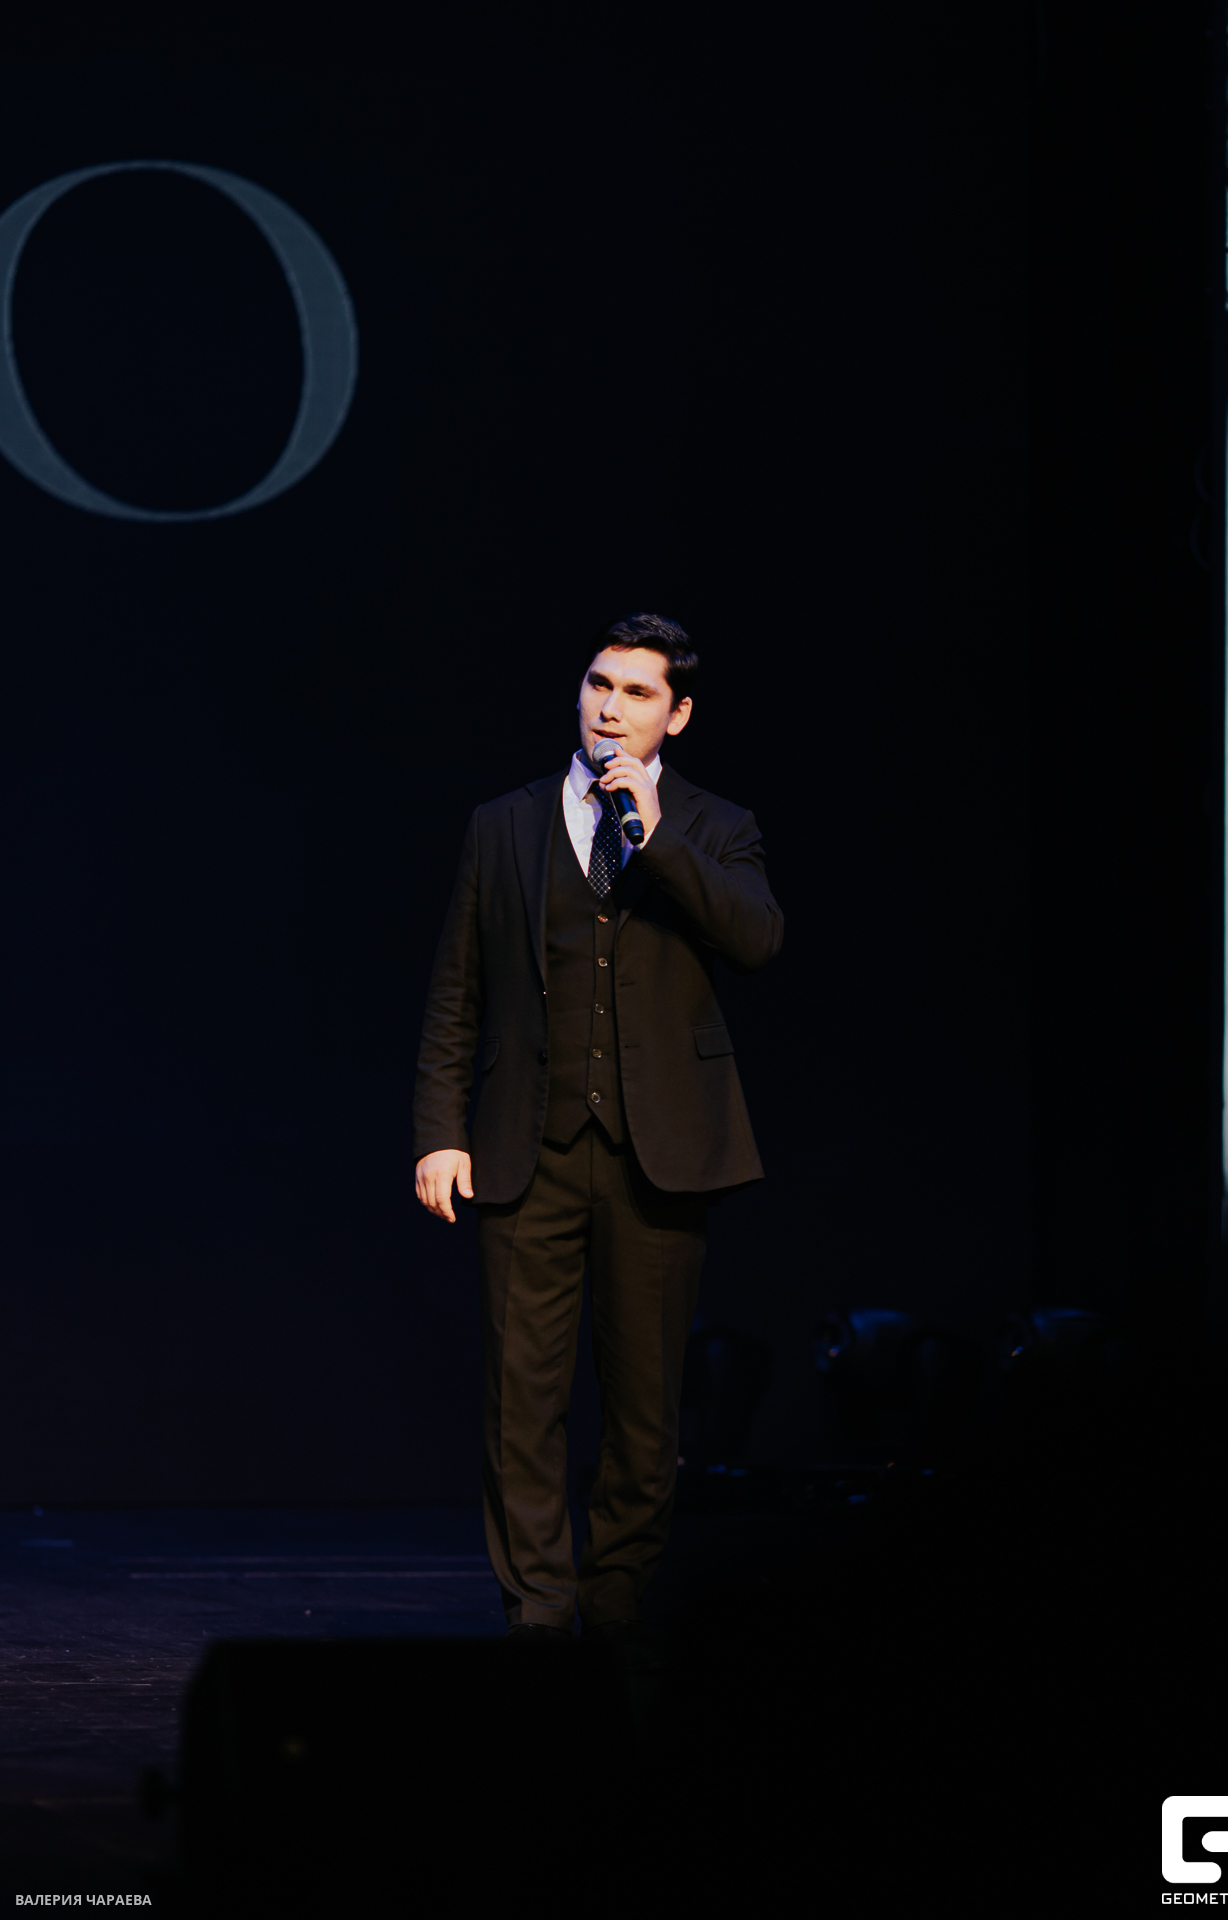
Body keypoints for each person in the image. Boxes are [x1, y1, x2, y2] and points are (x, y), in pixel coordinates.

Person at [412, 613, 783, 1645]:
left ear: (678, 714)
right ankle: (538, 1610)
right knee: (519, 1398)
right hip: (523, 1149)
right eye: (598, 684)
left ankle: (617, 1604)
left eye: (636, 692)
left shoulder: (714, 825)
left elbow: (756, 941)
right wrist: (439, 1130)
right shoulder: (504, 823)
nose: (609, 708)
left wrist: (657, 836)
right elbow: (456, 989)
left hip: (659, 1156)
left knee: (643, 1406)